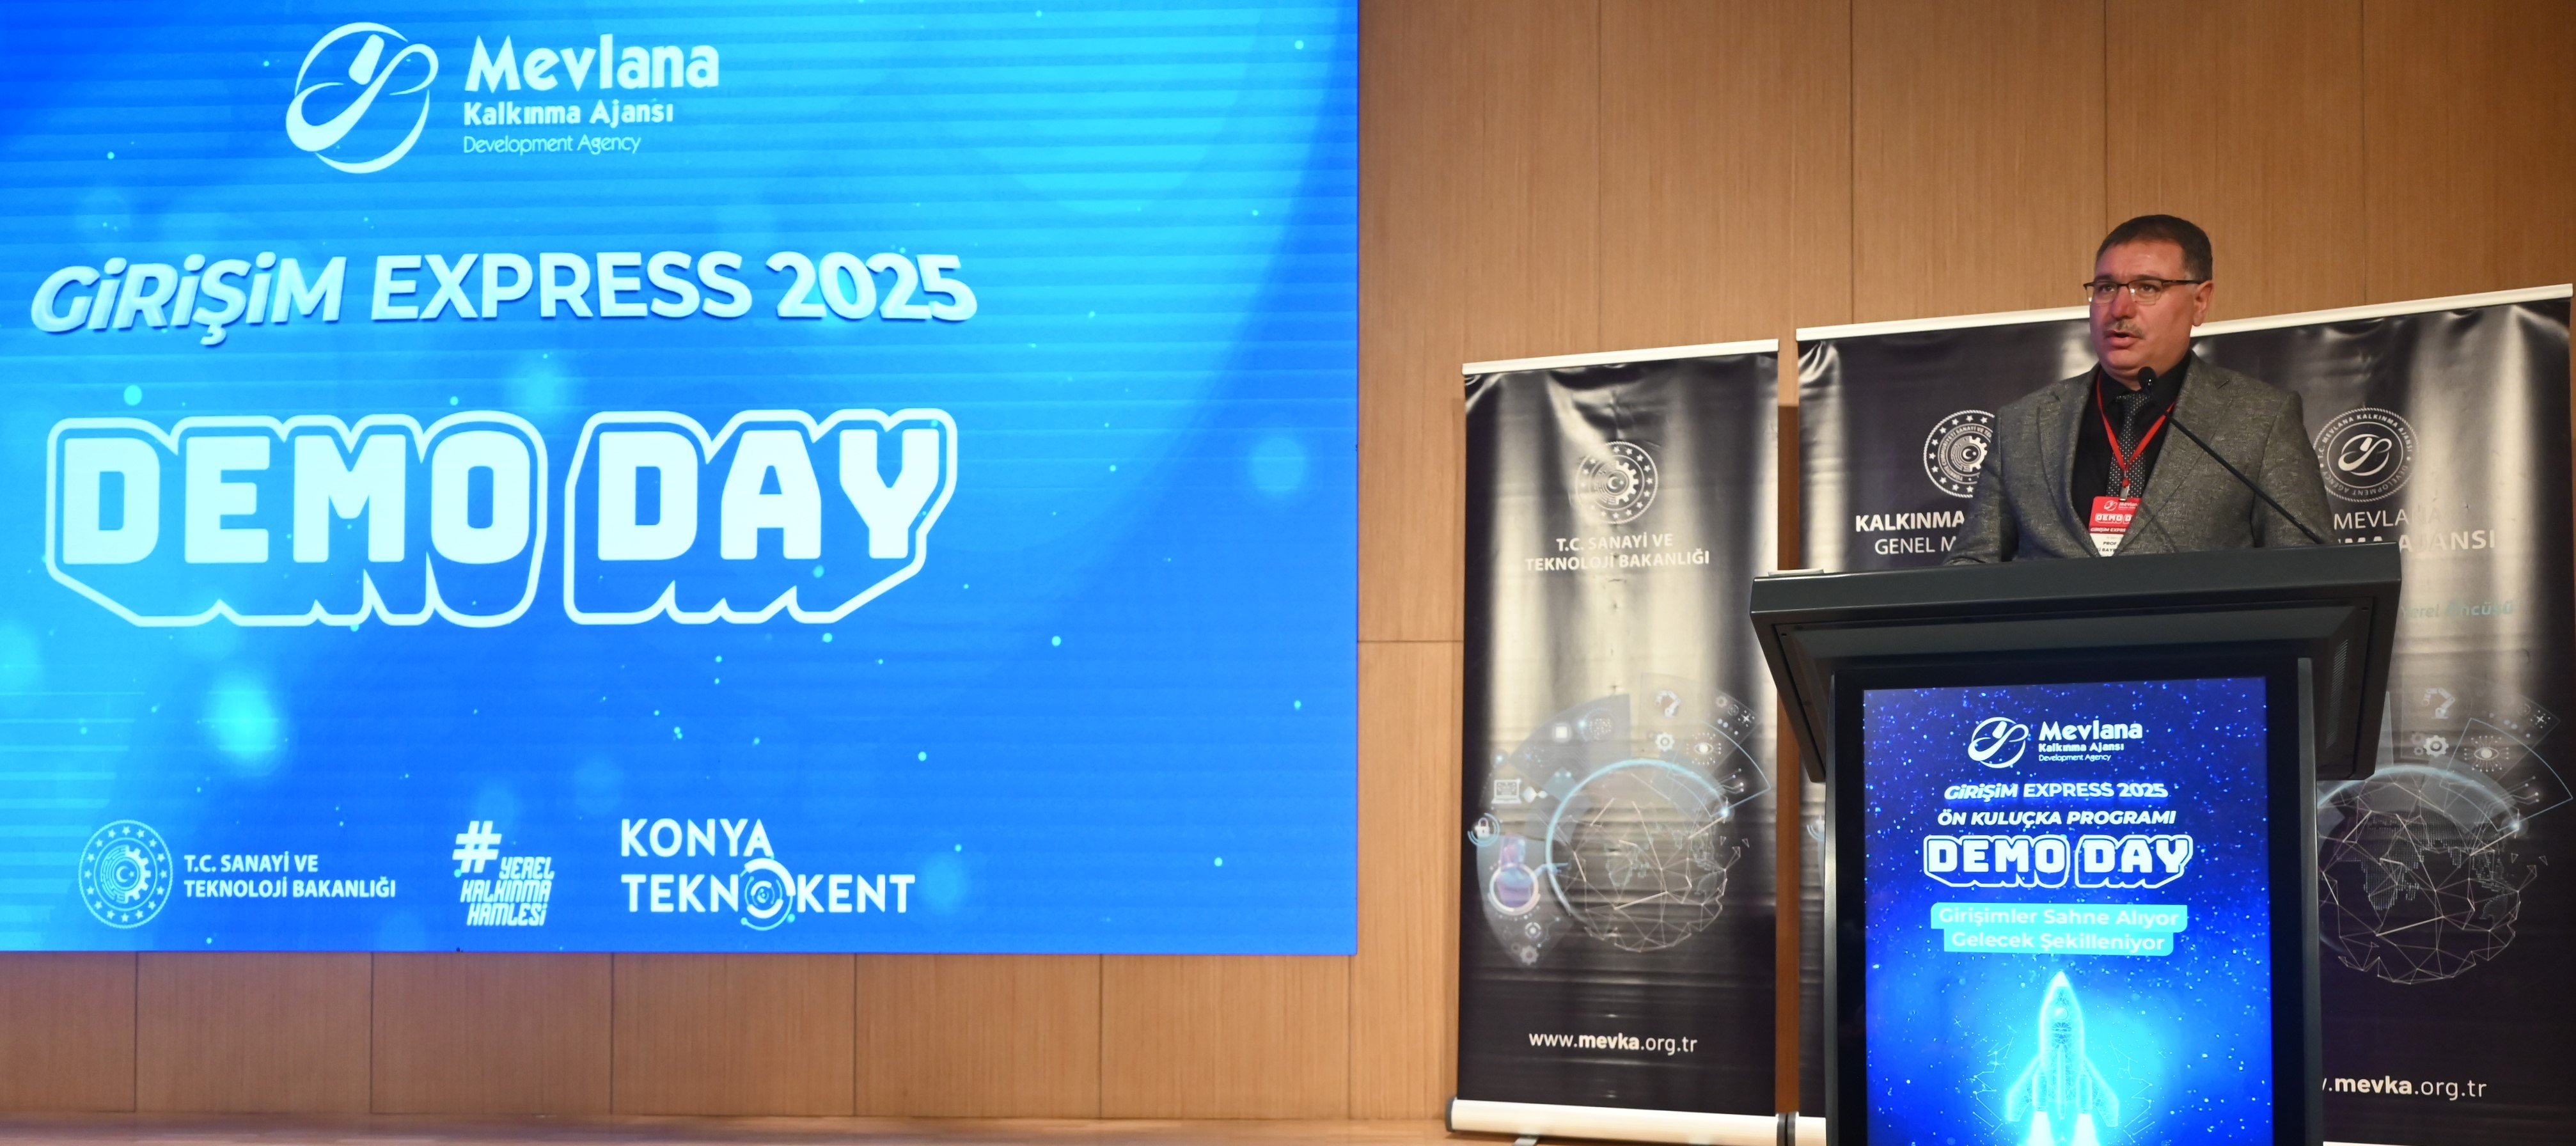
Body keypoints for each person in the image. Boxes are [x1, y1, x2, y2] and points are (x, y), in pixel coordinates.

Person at [1945, 215, 2331, 563]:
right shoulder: (2023, 424)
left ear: (2200, 301)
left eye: (2147, 287)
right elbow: (1972, 566)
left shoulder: (2261, 419)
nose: (2120, 309)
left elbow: (2306, 569)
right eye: (2106, 288)